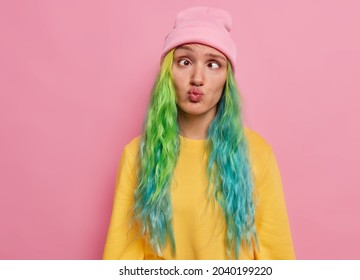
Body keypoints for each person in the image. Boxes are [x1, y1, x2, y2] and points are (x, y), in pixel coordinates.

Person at [103, 6, 295, 260]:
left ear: (227, 78)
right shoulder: (136, 155)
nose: (197, 78)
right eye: (185, 62)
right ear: (167, 74)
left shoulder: (257, 153)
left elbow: (277, 254)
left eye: (213, 64)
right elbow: (122, 256)